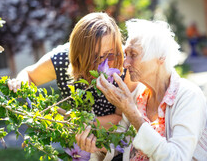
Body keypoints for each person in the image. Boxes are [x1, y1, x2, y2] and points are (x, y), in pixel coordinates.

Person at [76, 19, 207, 160]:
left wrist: (132, 113)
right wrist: (98, 147)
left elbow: (177, 157)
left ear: (160, 57)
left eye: (133, 55)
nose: (125, 63)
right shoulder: (139, 95)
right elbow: (121, 144)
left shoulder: (188, 96)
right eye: (126, 54)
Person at [7, 12, 139, 129]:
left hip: (114, 140)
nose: (101, 62)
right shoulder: (62, 59)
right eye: (93, 56)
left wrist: (74, 122)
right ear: (77, 52)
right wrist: (19, 83)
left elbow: (120, 118)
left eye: (108, 53)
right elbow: (29, 75)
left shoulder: (124, 64)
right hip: (75, 143)